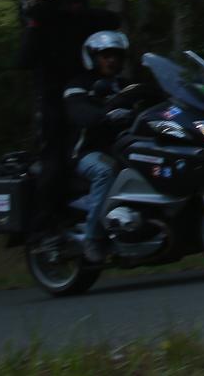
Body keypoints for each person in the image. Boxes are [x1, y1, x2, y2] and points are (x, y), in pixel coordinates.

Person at [18, 0, 122, 228]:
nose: (77, 1)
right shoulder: (42, 21)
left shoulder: (86, 19)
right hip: (53, 100)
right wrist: (34, 17)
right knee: (55, 157)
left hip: (86, 91)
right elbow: (23, 59)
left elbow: (112, 20)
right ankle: (47, 223)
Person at [64, 30, 135, 262]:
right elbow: (80, 114)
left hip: (120, 148)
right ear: (93, 57)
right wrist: (106, 115)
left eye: (115, 54)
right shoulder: (79, 85)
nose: (111, 59)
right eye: (105, 55)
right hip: (86, 152)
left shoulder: (125, 85)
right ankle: (93, 238)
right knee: (105, 171)